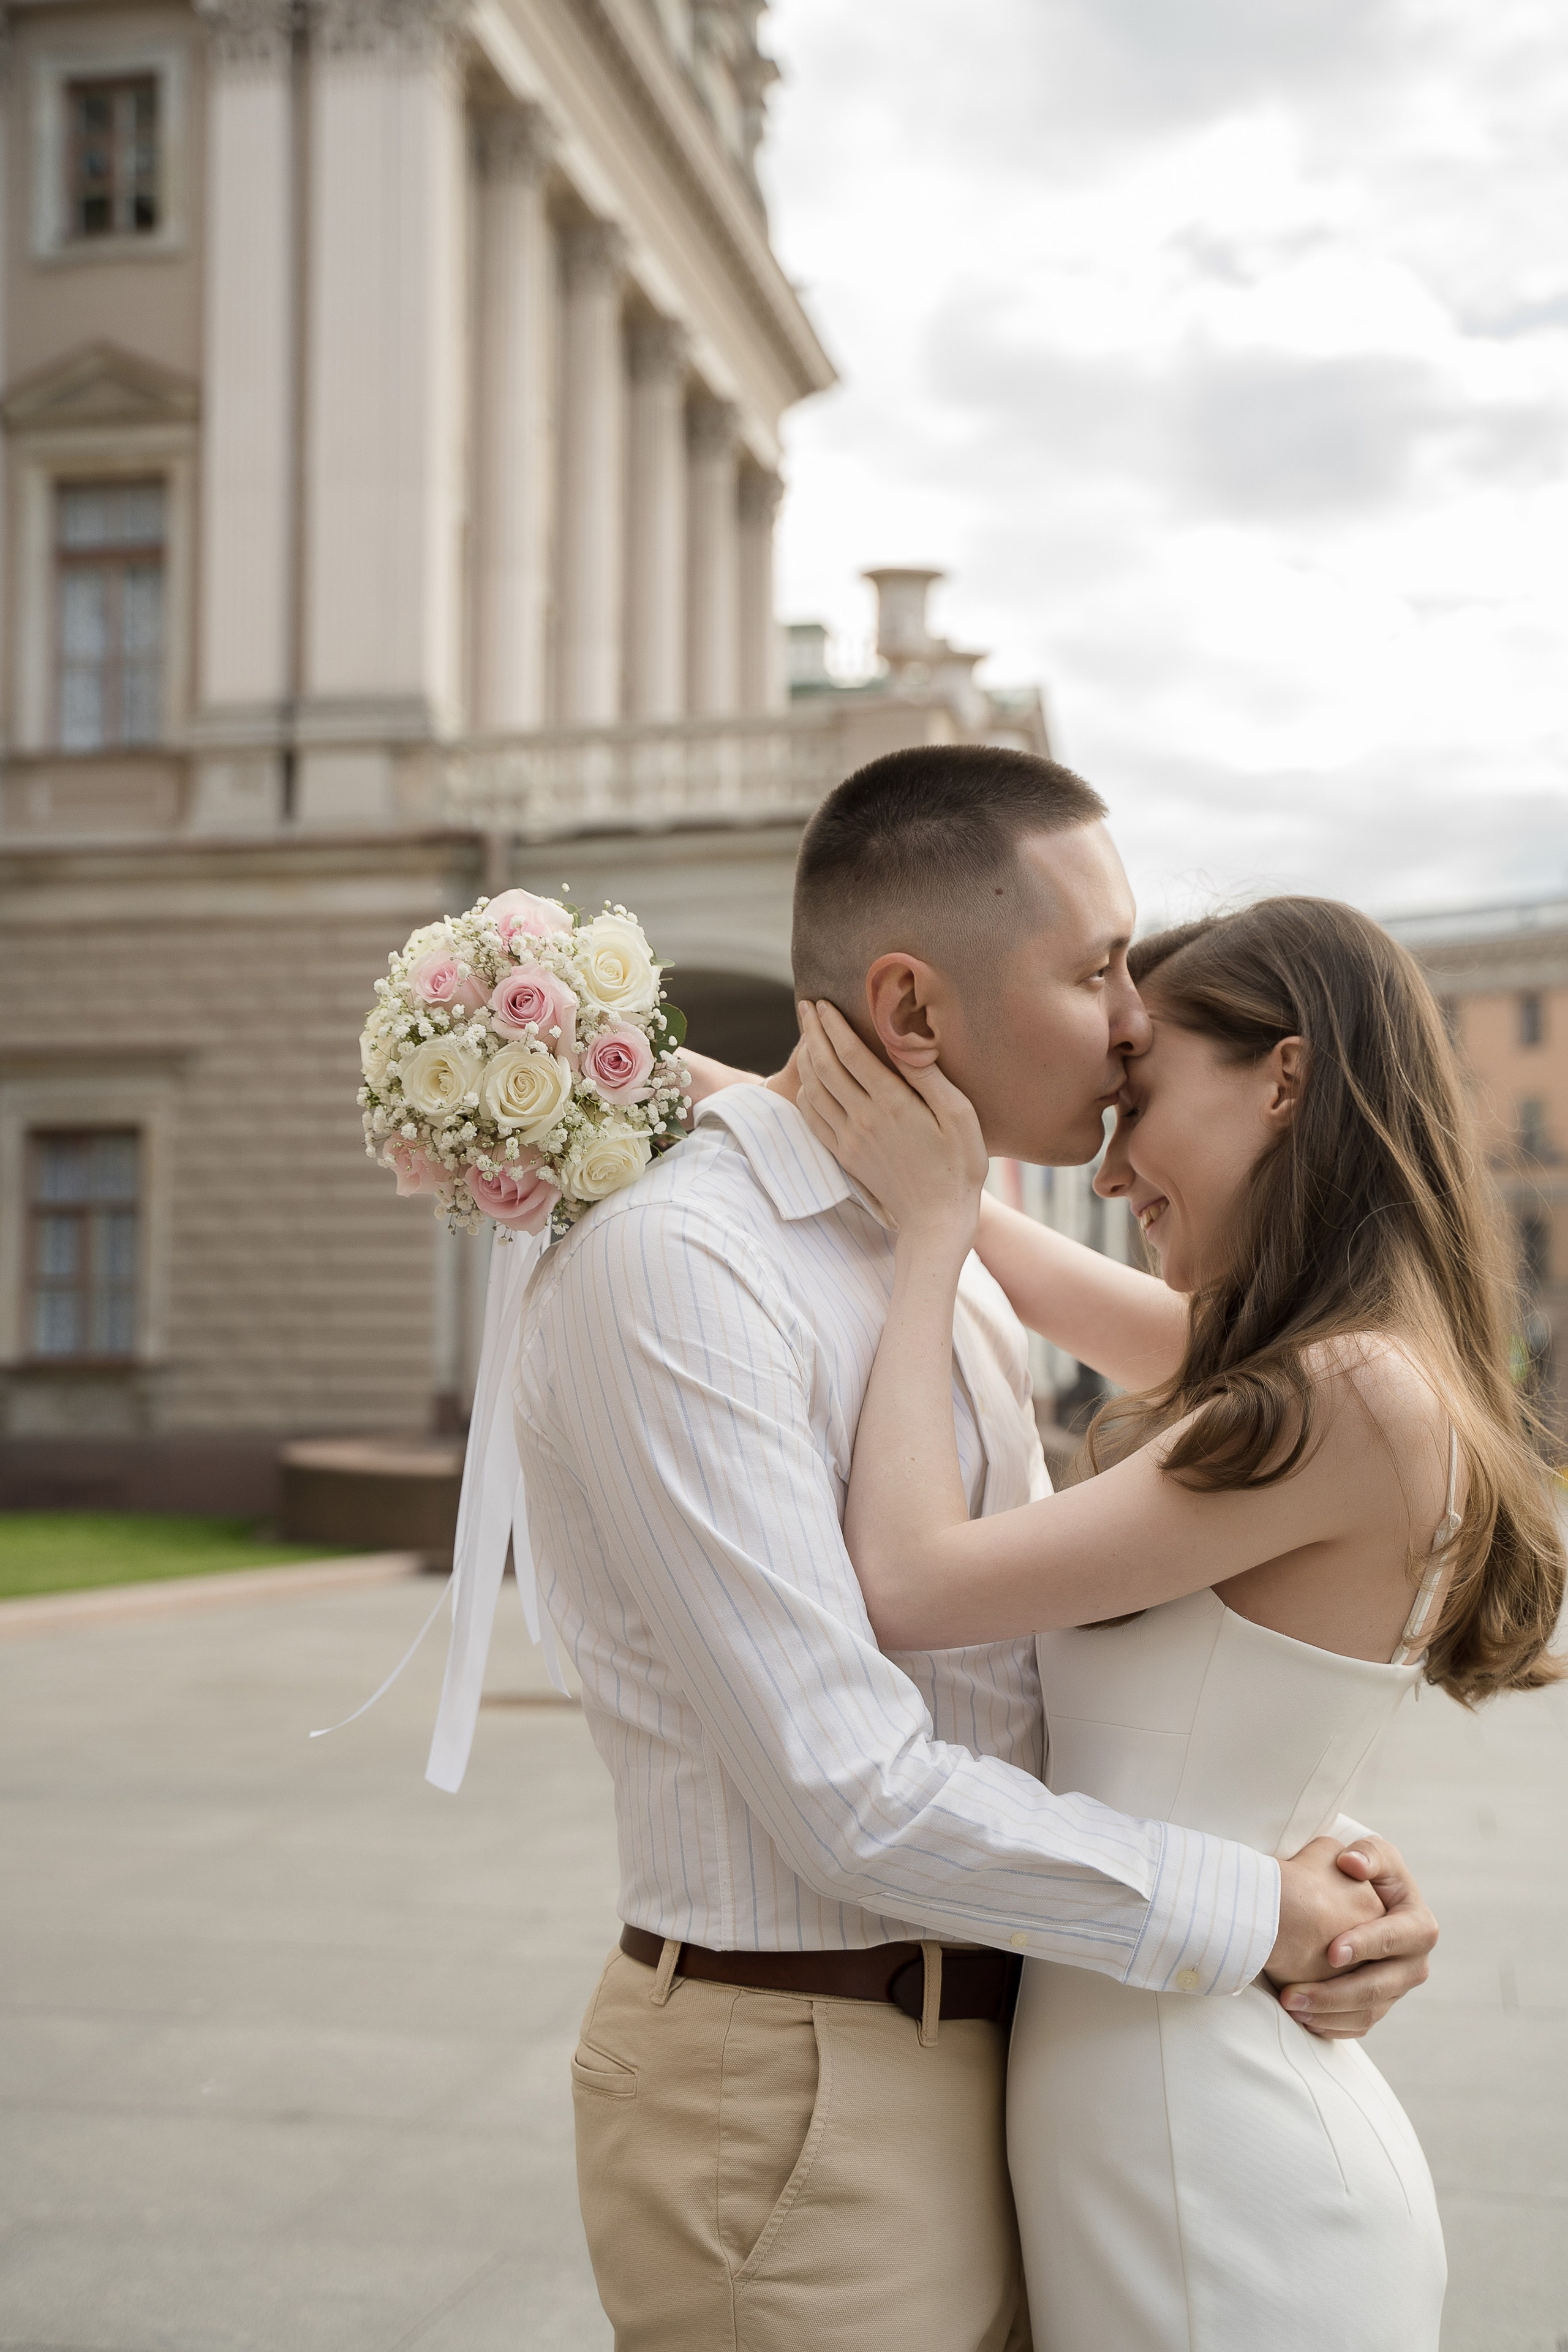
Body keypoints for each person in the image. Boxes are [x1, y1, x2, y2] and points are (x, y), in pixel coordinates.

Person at [514, 747, 1441, 2352]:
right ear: (916, 1009)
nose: (1132, 1017)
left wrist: (1320, 1854)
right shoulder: (684, 1268)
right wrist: (1252, 1898)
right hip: (800, 2093)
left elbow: (1024, 1672)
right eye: (1095, 972)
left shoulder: (926, 1252)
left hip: (1022, 2055)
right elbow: (851, 1790)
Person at [790, 892, 1565, 2352]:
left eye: (1135, 1095)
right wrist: (662, 1072)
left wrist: (929, 1232)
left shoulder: (1342, 1396)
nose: (1107, 1156)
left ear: (1281, 1077)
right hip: (1162, 2106)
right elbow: (1037, 1275)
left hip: (1211, 2149)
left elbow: (905, 1580)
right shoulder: (1323, 1366)